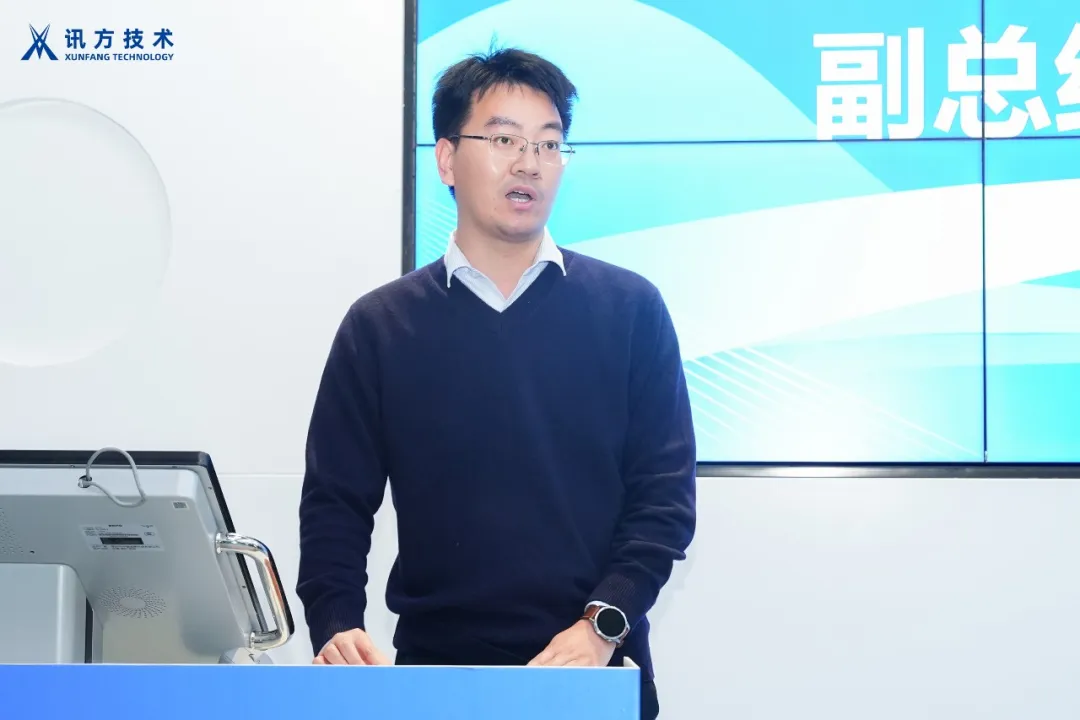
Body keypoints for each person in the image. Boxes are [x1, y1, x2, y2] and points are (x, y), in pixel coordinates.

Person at [296, 47, 696, 720]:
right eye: (505, 139)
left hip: (592, 674)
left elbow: (663, 502)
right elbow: (335, 502)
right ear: (446, 159)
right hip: (434, 677)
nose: (530, 163)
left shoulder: (630, 310)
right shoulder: (381, 326)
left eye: (549, 144)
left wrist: (601, 626)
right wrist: (336, 623)